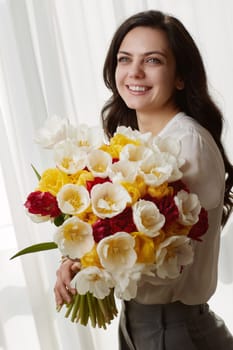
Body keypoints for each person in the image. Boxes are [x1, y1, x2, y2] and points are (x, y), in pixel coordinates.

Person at [54, 10, 233, 350]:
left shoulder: (187, 142)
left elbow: (158, 253)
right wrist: (72, 258)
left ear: (180, 76)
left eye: (152, 60)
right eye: (125, 59)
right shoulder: (134, 141)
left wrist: (85, 261)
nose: (134, 72)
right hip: (140, 324)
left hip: (173, 329)